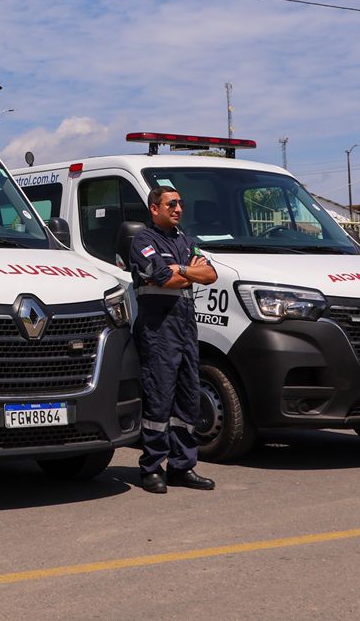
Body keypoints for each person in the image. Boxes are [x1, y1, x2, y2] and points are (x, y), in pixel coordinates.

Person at [127, 185, 218, 493]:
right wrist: (184, 271)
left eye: (181, 203)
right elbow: (162, 277)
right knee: (158, 400)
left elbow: (211, 274)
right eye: (172, 204)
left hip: (185, 330)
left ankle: (182, 466)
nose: (179, 209)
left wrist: (180, 269)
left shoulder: (185, 240)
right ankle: (151, 468)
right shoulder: (143, 241)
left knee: (188, 399)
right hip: (158, 331)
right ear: (155, 209)